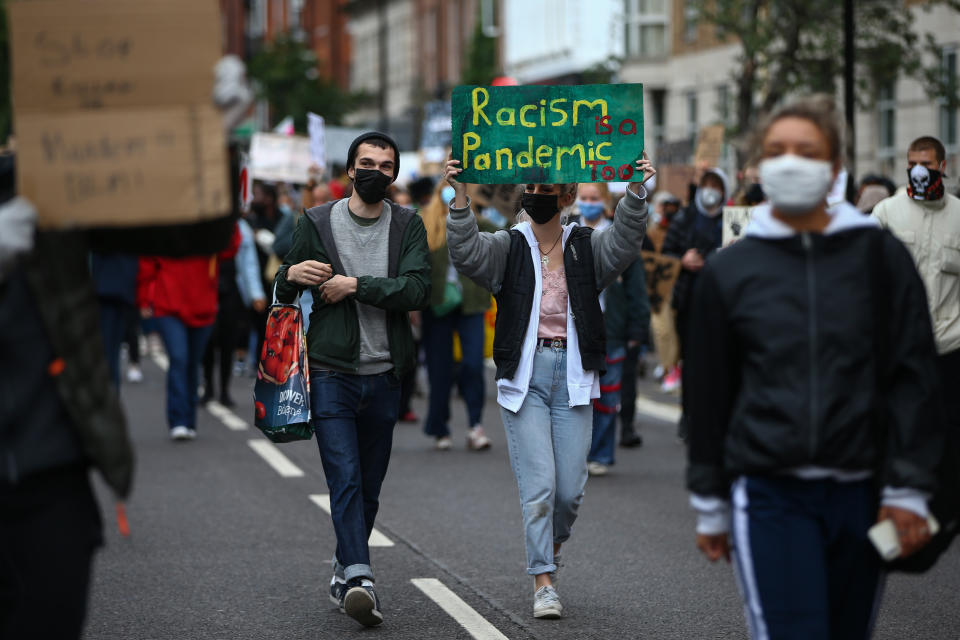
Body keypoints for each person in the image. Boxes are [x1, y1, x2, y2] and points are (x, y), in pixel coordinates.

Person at [686, 96, 944, 639]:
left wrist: (908, 489)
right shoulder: (731, 271)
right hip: (769, 495)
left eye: (807, 150)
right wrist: (709, 501)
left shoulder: (878, 257)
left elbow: (913, 375)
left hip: (860, 495)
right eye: (777, 151)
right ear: (758, 165)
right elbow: (709, 393)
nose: (791, 161)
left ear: (834, 166)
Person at [444, 153, 654, 619]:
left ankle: (551, 549)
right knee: (539, 487)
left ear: (567, 197)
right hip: (526, 377)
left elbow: (625, 244)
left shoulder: (585, 245)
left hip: (575, 376)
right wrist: (459, 197)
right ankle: (543, 582)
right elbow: (467, 254)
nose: (537, 196)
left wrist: (636, 192)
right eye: (531, 190)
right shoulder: (507, 246)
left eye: (547, 191)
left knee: (570, 492)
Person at [275, 132, 430, 627]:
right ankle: (361, 578)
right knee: (342, 476)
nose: (376, 172)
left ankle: (344, 568)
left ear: (394, 175)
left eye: (386, 166)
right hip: (329, 372)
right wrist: (292, 274)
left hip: (385, 374)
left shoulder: (407, 224)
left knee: (369, 485)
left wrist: (357, 285)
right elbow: (283, 284)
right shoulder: (316, 222)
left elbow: (417, 288)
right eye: (367, 163)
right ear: (349, 169)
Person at [873, 135, 960, 461]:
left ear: (942, 166)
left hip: (951, 349)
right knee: (902, 428)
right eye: (912, 165)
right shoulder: (886, 212)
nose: (919, 172)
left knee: (951, 432)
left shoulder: (959, 216)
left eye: (926, 165)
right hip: (901, 346)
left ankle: (947, 507)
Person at [137, 228, 241, 440]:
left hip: (202, 307)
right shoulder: (164, 226)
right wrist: (143, 298)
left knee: (193, 364)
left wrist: (229, 215)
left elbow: (230, 248)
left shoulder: (209, 227)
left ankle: (189, 419)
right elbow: (147, 263)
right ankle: (178, 421)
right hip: (169, 306)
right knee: (179, 359)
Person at [580, 184, 650, 475]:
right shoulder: (565, 233)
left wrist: (637, 328)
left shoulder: (621, 237)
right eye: (583, 198)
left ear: (606, 201)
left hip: (613, 329)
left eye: (594, 199)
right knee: (579, 395)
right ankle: (577, 454)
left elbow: (636, 287)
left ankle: (601, 454)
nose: (588, 203)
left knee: (608, 396)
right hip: (577, 327)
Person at [420, 181, 494, 451]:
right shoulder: (425, 221)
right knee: (439, 369)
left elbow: (506, 234)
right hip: (437, 305)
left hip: (471, 303)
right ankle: (440, 427)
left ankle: (476, 426)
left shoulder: (478, 222)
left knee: (473, 365)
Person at [662, 166, 730, 427]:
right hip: (689, 300)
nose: (711, 192)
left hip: (722, 300)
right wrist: (683, 260)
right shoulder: (685, 218)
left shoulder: (731, 218)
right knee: (691, 360)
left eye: (717, 186)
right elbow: (666, 254)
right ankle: (689, 417)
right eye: (707, 185)